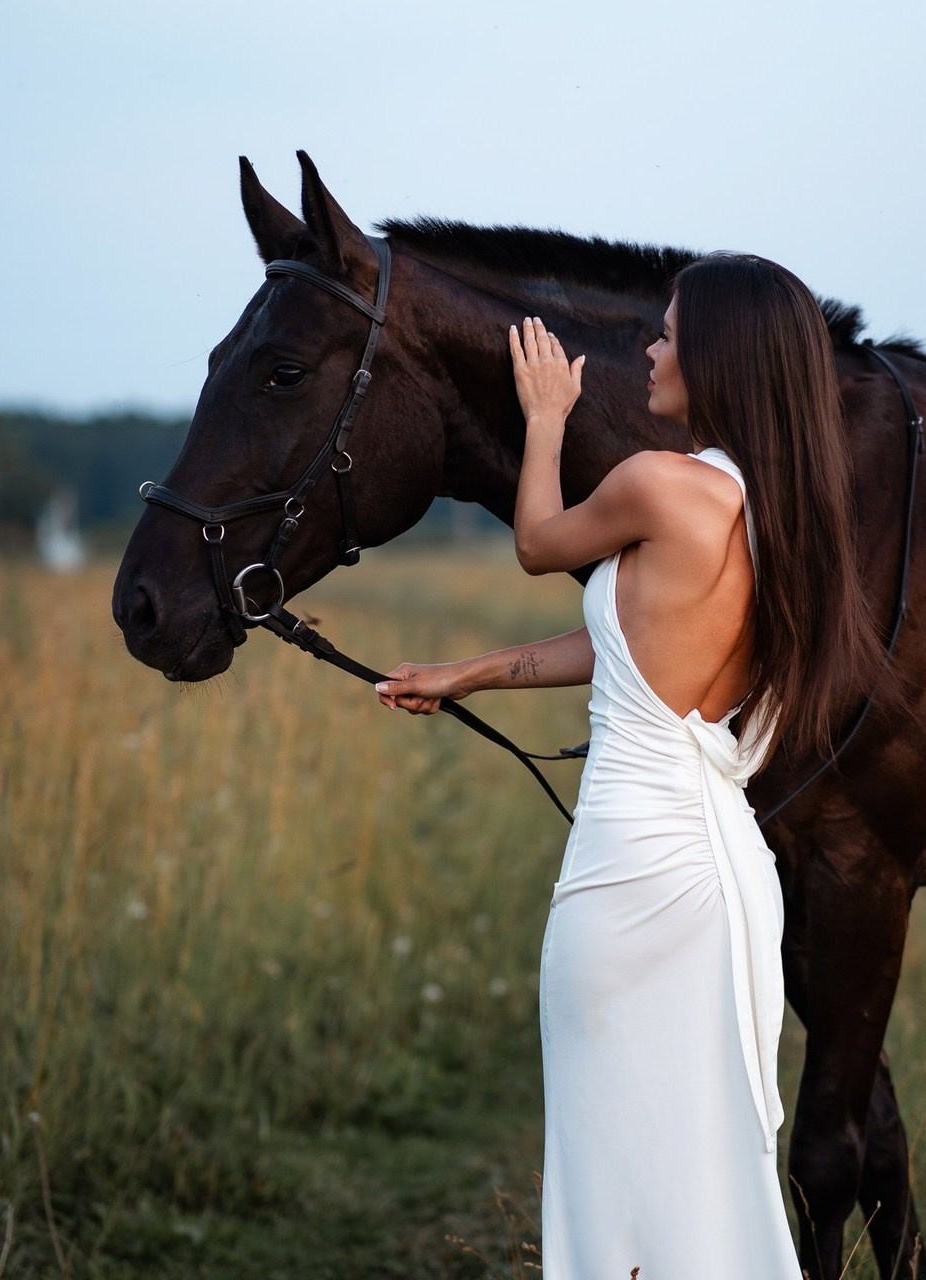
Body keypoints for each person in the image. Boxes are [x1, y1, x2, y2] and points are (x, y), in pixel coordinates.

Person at [374, 254, 883, 1279]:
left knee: (616, 1172)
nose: (649, 348)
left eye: (668, 332)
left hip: (634, 870)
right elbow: (631, 647)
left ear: (721, 358)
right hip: (721, 870)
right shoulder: (783, 512)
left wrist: (545, 414)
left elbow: (533, 543)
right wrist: (467, 671)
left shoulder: (657, 482)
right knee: (699, 1169)